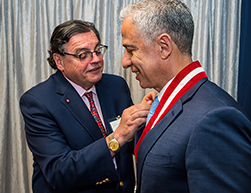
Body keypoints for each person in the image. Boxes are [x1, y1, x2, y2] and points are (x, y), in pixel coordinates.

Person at [119, 0, 251, 192]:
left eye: (131, 50)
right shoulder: (168, 101)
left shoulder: (215, 119)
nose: (125, 61)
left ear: (164, 47)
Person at [20, 20, 151, 193]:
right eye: (83, 55)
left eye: (97, 51)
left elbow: (135, 140)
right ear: (59, 61)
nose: (96, 59)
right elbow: (59, 172)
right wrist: (117, 137)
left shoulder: (116, 85)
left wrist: (151, 113)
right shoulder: (38, 101)